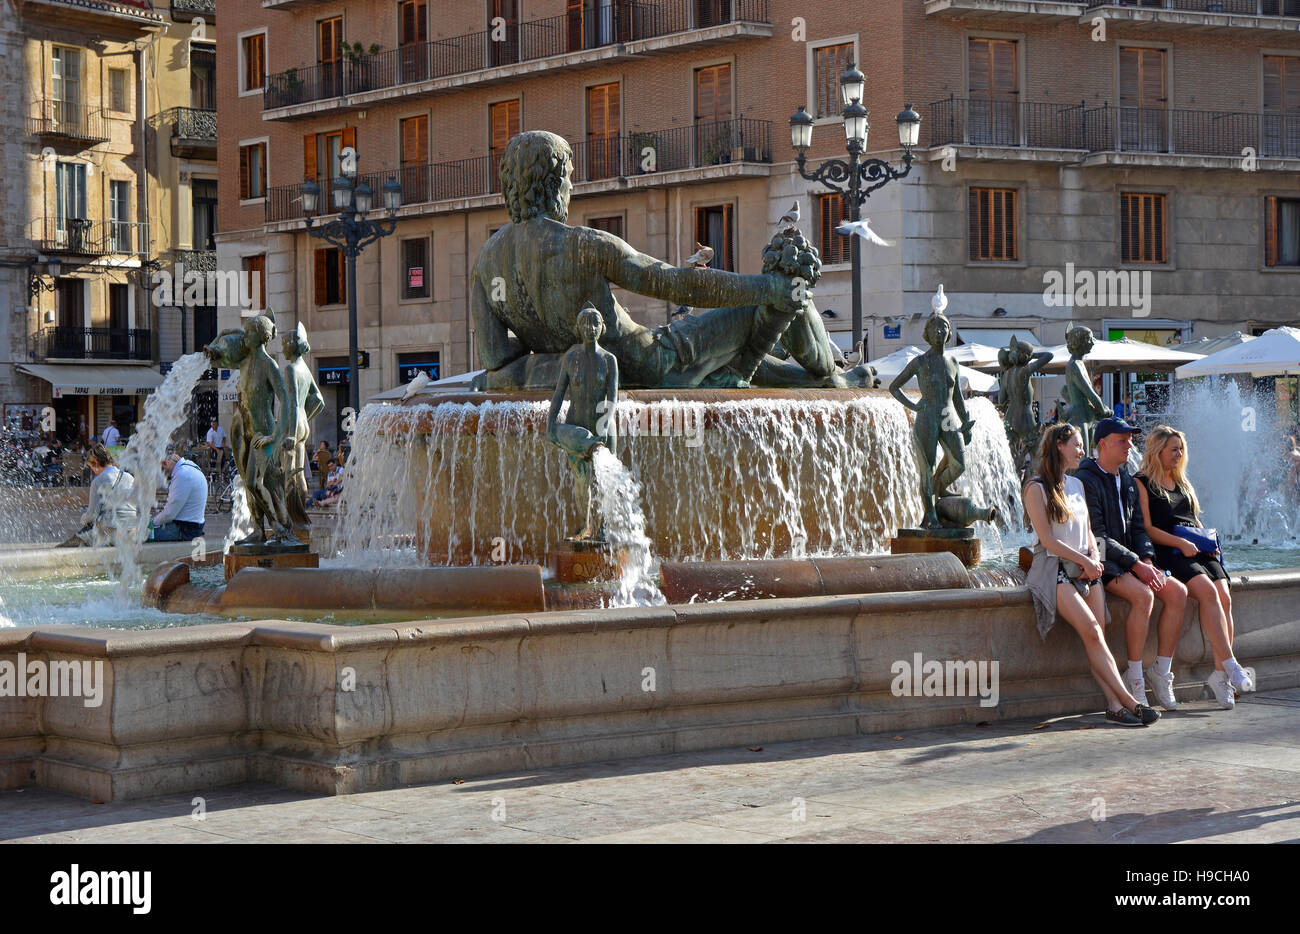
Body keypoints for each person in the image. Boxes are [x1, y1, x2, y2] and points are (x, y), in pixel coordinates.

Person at [1024, 424, 1158, 726]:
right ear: (1059, 445)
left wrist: (1094, 560)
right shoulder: (1036, 488)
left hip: (1086, 566)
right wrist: (1084, 562)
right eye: (1077, 445)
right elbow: (1047, 541)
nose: (1082, 452)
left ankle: (1113, 706)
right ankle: (1128, 701)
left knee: (1098, 637)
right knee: (1093, 632)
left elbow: (1089, 534)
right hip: (1055, 567)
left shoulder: (1076, 484)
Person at [1136, 426, 1254, 709]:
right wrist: (1182, 542)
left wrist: (1207, 541)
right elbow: (1148, 528)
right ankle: (1232, 665)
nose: (1179, 454)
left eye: (1181, 449)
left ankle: (1220, 676)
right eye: (1173, 449)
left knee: (1224, 596)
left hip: (1197, 548)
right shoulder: (1142, 482)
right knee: (1206, 592)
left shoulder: (1182, 482)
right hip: (1171, 550)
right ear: (1158, 450)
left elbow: (1194, 519)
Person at [1075, 417, 1188, 710]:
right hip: (1102, 561)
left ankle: (1161, 672)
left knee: (1177, 593)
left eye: (1130, 440)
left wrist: (1147, 558)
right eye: (1122, 440)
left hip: (1131, 560)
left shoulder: (1126, 479)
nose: (1129, 446)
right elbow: (1097, 539)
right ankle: (1134, 675)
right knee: (1144, 595)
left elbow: (1139, 528)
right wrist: (1137, 564)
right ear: (1103, 444)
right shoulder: (1085, 480)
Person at [888, 312, 974, 529]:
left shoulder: (953, 362)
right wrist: (914, 405)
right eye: (935, 328)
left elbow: (958, 398)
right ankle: (931, 515)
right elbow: (894, 387)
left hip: (947, 417)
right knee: (927, 468)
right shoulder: (920, 362)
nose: (939, 331)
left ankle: (938, 487)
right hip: (927, 418)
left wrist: (965, 423)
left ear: (948, 333)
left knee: (959, 464)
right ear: (927, 334)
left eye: (943, 328)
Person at [547, 305, 619, 541]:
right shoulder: (570, 358)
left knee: (604, 481)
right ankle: (584, 525)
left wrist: (606, 425)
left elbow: (613, 398)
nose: (591, 328)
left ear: (602, 327)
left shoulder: (610, 360)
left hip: (603, 425)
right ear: (578, 328)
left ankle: (604, 526)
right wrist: (551, 424)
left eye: (595, 323)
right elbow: (559, 393)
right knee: (581, 478)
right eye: (586, 323)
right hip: (576, 424)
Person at [59, 443, 138, 547]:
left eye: (91, 466)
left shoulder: (98, 481)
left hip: (112, 532)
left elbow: (92, 514)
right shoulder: (129, 477)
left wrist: (83, 519)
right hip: (132, 532)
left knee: (66, 547)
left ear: (96, 463)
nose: (92, 470)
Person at [148, 453, 207, 541]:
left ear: (165, 463)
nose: (163, 476)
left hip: (185, 530)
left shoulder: (182, 474)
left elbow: (169, 514)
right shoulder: (189, 467)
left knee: (140, 535)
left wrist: (151, 523)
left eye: (161, 471)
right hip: (193, 526)